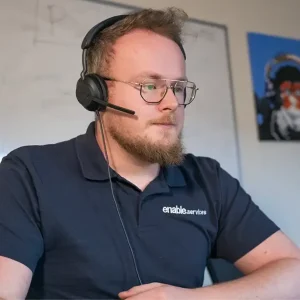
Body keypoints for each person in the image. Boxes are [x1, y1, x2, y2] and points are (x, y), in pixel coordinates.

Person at [0, 7, 299, 300]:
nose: (171, 103)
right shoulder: (28, 174)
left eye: (178, 87)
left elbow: (292, 272)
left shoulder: (208, 180)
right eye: (149, 85)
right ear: (96, 94)